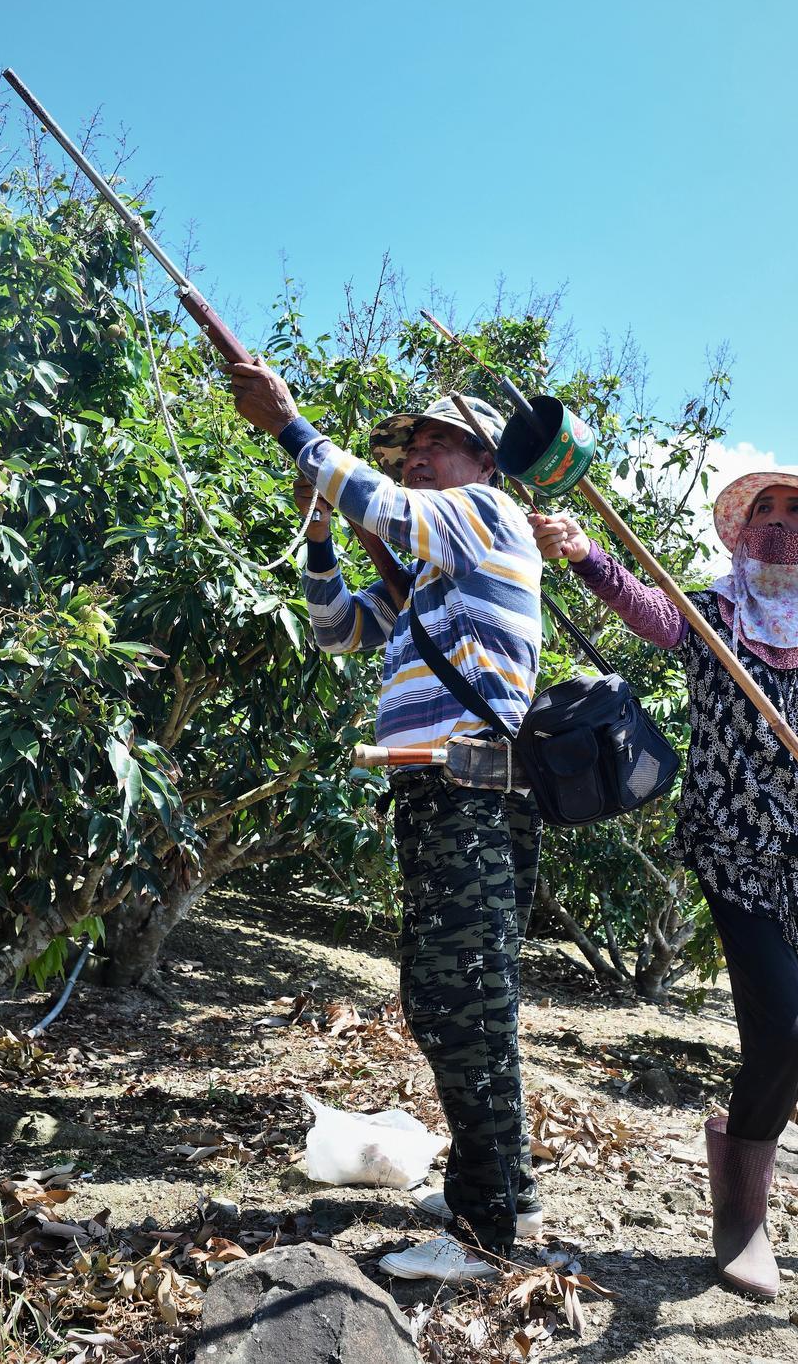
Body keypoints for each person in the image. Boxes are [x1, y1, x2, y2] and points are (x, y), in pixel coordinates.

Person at [530, 467, 798, 1299]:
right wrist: (584, 554)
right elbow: (654, 613)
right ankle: (742, 1218)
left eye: (797, 510)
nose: (778, 522)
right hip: (736, 854)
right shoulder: (718, 614)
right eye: (766, 509)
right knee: (785, 1034)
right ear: (741, 529)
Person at [229, 361, 545, 1283]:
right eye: (404, 451)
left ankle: (484, 1234)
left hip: (471, 795)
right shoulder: (430, 583)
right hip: (433, 798)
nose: (411, 460)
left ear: (482, 459)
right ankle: (502, 1186)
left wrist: (291, 424)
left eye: (430, 445)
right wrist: (320, 529)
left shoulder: (486, 516)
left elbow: (394, 512)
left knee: (464, 1006)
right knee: (450, 1001)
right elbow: (335, 629)